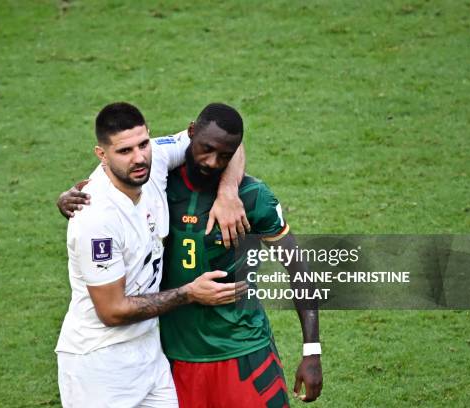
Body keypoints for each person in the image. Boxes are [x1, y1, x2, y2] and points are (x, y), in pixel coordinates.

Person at [58, 103, 323, 407]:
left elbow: (226, 137)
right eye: (125, 151)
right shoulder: (113, 203)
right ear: (102, 154)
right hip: (130, 360)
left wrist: (228, 190)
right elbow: (112, 310)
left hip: (228, 356)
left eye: (143, 145)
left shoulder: (159, 167)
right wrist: (190, 294)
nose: (212, 162)